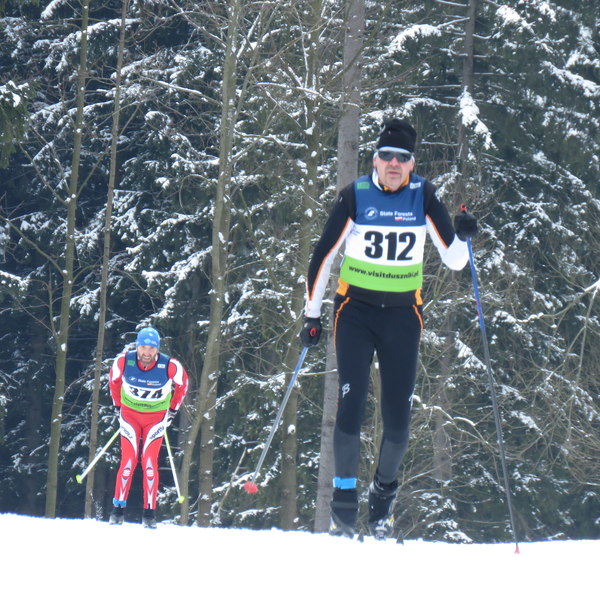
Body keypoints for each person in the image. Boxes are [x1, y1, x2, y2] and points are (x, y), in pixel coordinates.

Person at [300, 118, 477, 539]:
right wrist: (312, 314)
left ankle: (383, 500)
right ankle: (344, 505)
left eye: (402, 158)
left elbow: (454, 261)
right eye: (386, 156)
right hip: (355, 313)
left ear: (411, 165)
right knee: (351, 406)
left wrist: (465, 237)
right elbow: (323, 255)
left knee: (397, 422)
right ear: (375, 161)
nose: (394, 164)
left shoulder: (423, 195)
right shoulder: (355, 195)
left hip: (402, 316)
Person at [108, 326, 189, 528]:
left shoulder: (170, 365)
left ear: (157, 349)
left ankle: (149, 513)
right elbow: (113, 381)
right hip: (130, 416)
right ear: (137, 346)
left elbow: (183, 384)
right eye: (143, 347)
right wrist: (117, 405)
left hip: (156, 419)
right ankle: (117, 510)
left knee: (150, 463)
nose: (147, 352)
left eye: (151, 348)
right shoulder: (124, 361)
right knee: (128, 461)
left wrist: (172, 409)